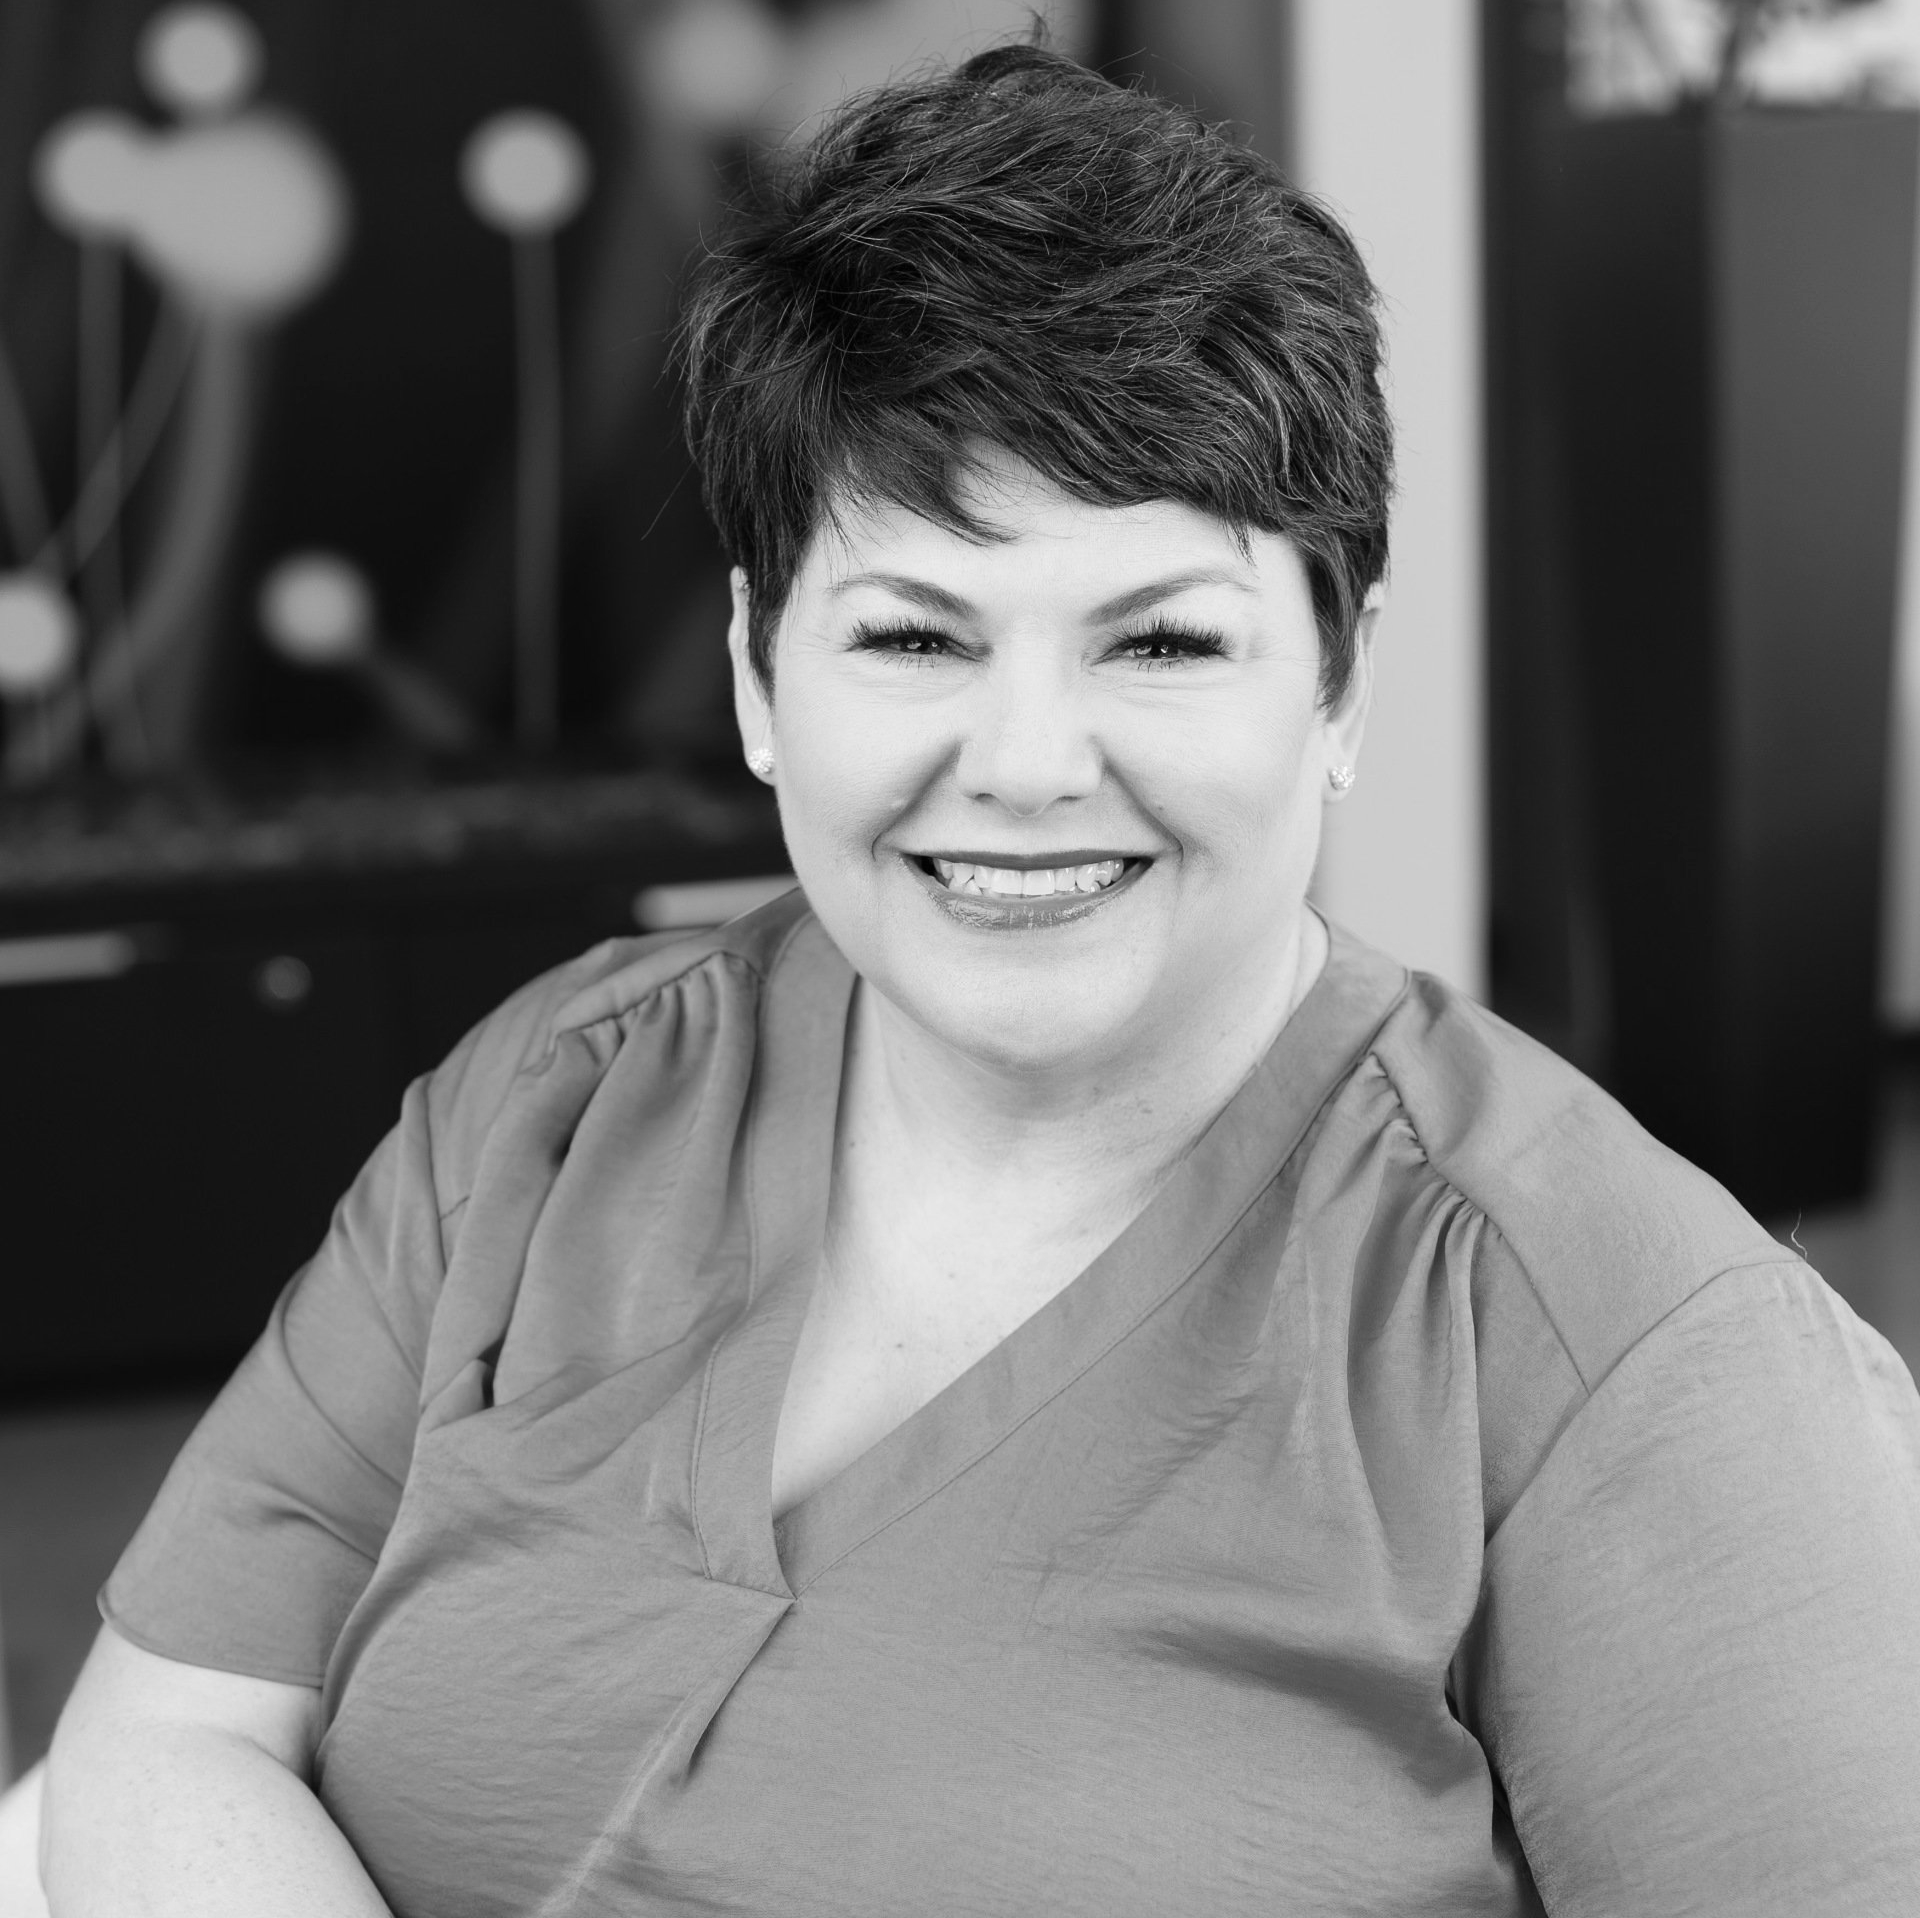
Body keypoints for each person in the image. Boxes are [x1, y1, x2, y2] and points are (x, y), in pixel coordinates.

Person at [26, 41, 1920, 1917]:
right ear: (762, 678)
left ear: (1339, 683)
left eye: (1161, 642)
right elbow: (169, 1731)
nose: (1025, 764)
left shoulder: (1623, 1351)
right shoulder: (553, 1100)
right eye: (917, 635)